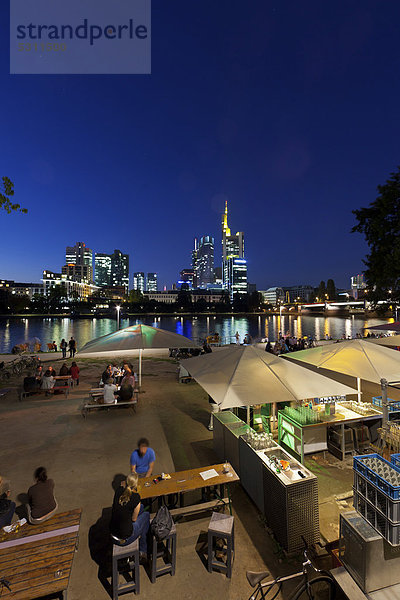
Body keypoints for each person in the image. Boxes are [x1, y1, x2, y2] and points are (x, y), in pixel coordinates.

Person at [110, 473, 150, 558]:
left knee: (141, 508)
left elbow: (122, 486)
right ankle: (143, 550)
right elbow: (134, 519)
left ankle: (143, 548)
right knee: (146, 515)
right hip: (124, 539)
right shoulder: (136, 498)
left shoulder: (118, 491)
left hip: (112, 534)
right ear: (136, 485)